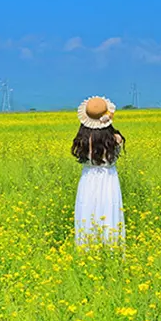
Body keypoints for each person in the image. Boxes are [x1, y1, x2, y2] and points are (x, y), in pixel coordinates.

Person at [71, 96, 126, 249]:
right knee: (108, 211)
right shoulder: (115, 139)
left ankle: (87, 249)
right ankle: (110, 248)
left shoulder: (82, 140)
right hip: (108, 180)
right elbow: (113, 132)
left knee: (88, 211)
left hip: (88, 179)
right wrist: (108, 120)